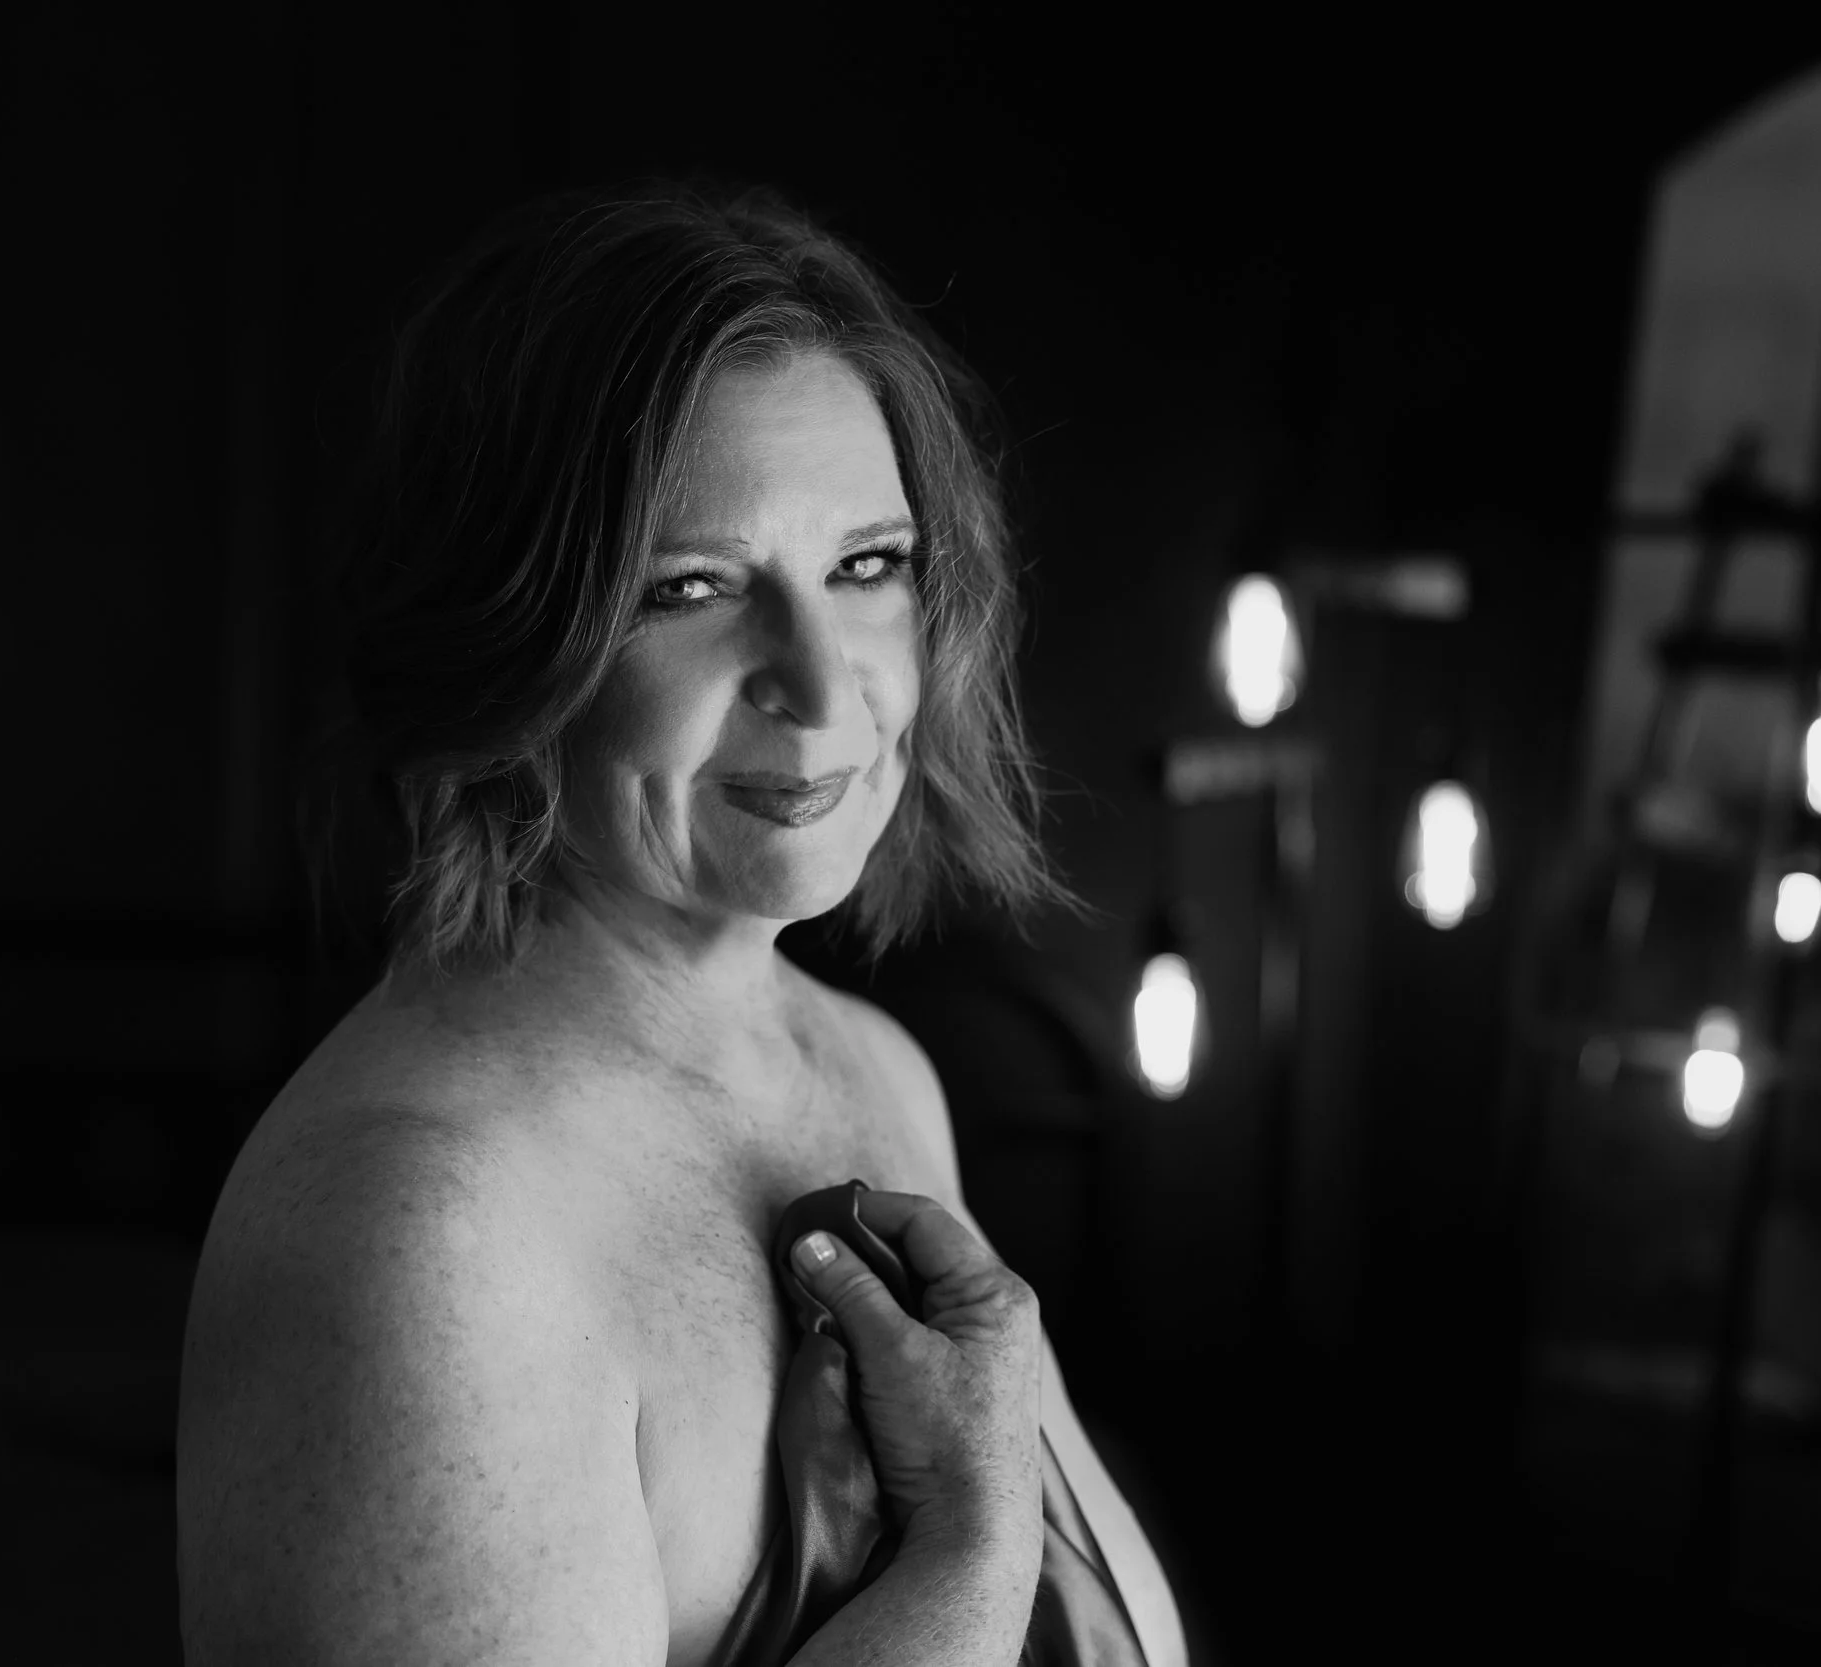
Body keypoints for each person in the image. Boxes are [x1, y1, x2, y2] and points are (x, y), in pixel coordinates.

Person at [176, 181, 1186, 1667]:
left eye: (867, 566)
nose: (827, 688)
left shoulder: (871, 1070)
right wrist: (975, 1547)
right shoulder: (423, 1233)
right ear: (509, 644)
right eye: (693, 587)